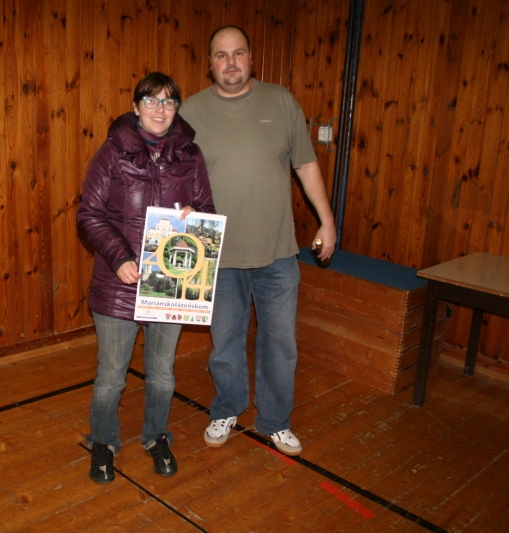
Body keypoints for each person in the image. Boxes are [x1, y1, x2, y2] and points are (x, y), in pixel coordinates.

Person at [179, 25, 336, 456]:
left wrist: (327, 222)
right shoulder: (191, 111)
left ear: (251, 58)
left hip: (277, 253)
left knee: (280, 344)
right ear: (210, 64)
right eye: (221, 55)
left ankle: (275, 420)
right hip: (218, 254)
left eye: (238, 53)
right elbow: (176, 173)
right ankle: (227, 409)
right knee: (225, 343)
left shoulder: (281, 101)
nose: (231, 62)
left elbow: (306, 165)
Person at [77, 72, 215, 483]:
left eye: (169, 101)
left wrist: (197, 217)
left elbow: (208, 210)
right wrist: (119, 256)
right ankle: (103, 442)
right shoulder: (111, 153)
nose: (160, 109)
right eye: (151, 100)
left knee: (163, 375)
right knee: (110, 377)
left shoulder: (191, 155)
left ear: (177, 109)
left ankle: (156, 437)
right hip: (118, 283)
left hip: (169, 285)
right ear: (136, 107)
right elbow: (89, 215)